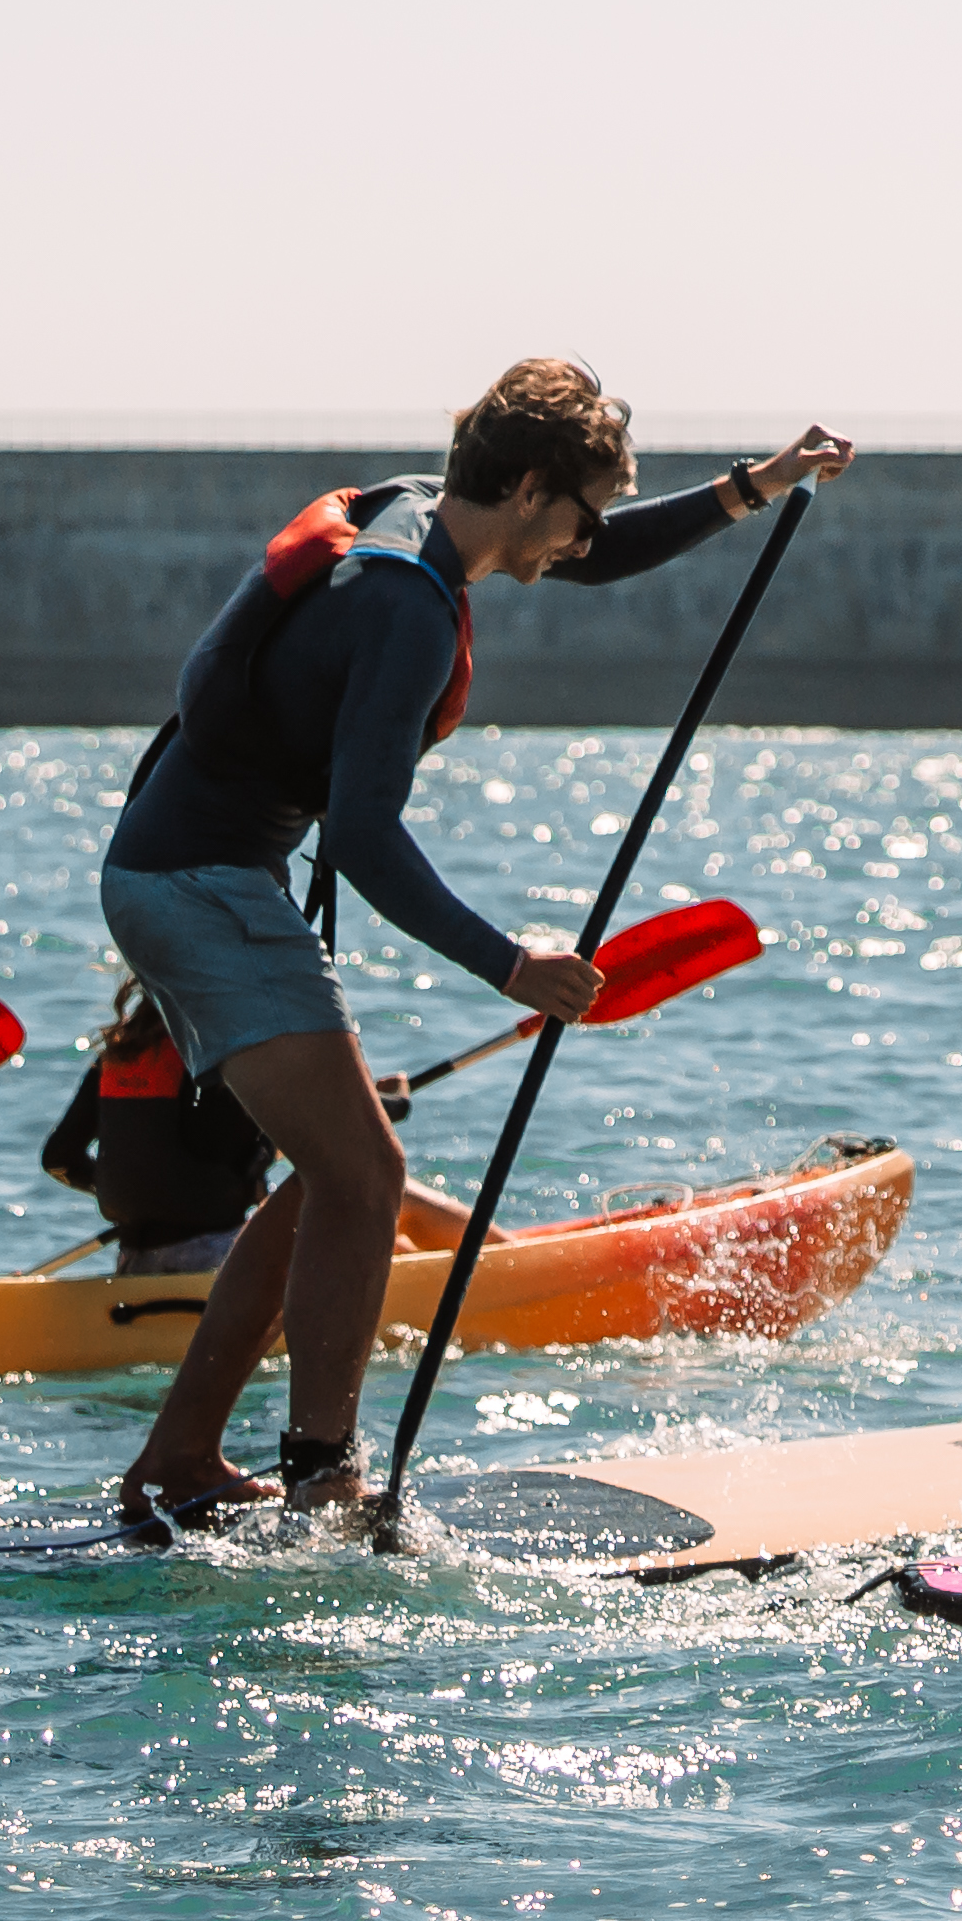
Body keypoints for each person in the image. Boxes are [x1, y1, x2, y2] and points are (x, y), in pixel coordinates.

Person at [94, 360, 852, 1534]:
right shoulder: (401, 607)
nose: (584, 541)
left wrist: (755, 487)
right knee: (369, 1175)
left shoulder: (417, 514)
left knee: (326, 1173)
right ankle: (323, 1474)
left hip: (182, 871)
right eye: (580, 511)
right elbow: (360, 836)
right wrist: (512, 965)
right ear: (534, 486)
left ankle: (179, 1457)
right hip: (204, 884)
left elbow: (596, 553)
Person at [37, 979, 452, 1277]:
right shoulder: (229, 1052)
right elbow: (347, 1119)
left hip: (135, 1260)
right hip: (221, 1261)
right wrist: (394, 1100)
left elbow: (59, 1158)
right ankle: (499, 1262)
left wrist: (122, 1189)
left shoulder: (120, 1055)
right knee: (395, 1198)